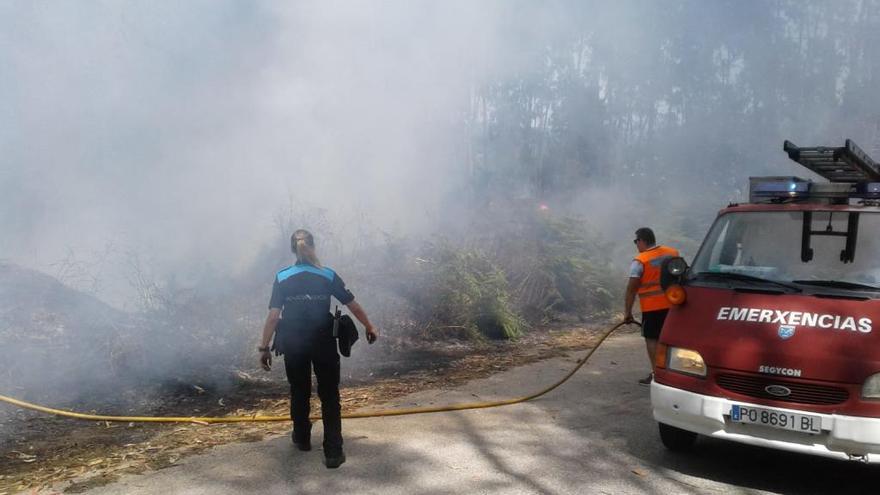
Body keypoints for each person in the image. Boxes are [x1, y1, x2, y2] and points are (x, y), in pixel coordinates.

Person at [258, 229, 378, 469]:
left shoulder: (282, 277)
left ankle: (302, 438)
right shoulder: (327, 275)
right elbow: (352, 305)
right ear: (313, 247)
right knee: (329, 394)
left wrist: (264, 348)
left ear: (293, 249)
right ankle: (333, 451)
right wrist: (369, 326)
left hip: (293, 342)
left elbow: (273, 317)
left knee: (299, 390)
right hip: (323, 341)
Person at [624, 227, 679, 386]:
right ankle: (674, 373)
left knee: (652, 339)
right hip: (674, 305)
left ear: (641, 240)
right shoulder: (672, 253)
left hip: (652, 308)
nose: (636, 245)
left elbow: (631, 289)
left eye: (636, 241)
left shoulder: (640, 260)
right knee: (671, 339)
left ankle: (658, 375)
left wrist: (627, 313)